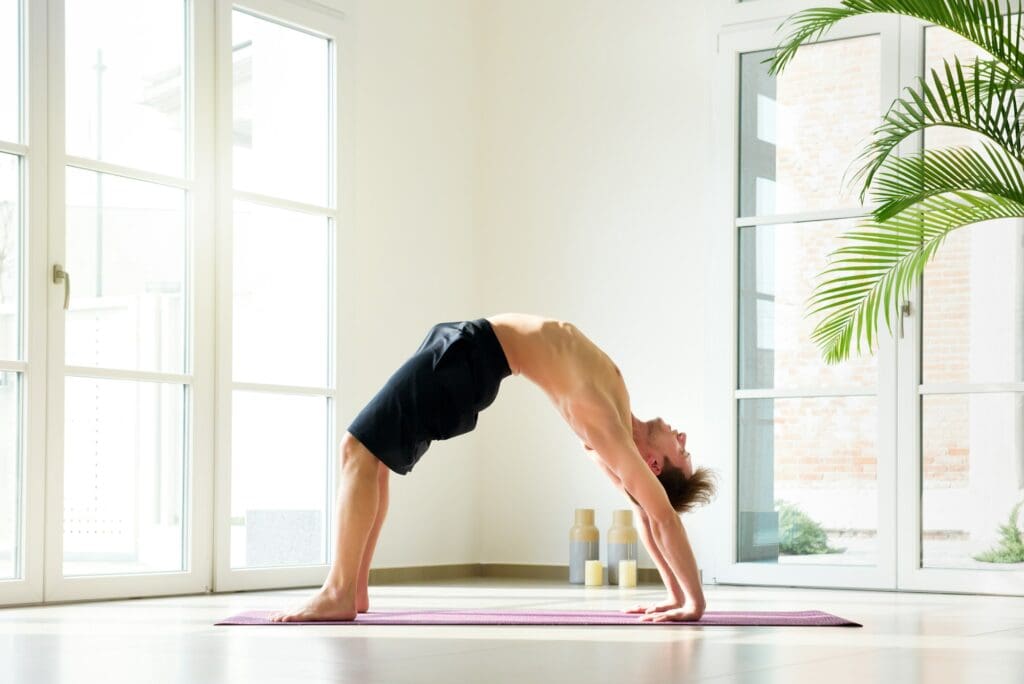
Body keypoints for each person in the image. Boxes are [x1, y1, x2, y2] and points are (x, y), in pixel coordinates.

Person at [271, 314, 716, 623]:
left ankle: (338, 592)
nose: (683, 438)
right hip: (470, 347)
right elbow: (643, 509)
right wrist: (674, 594)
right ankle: (354, 590)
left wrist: (692, 601)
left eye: (683, 453)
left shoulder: (607, 428)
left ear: (654, 464)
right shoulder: (619, 421)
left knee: (356, 449)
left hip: (471, 355)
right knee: (373, 458)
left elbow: (659, 513)